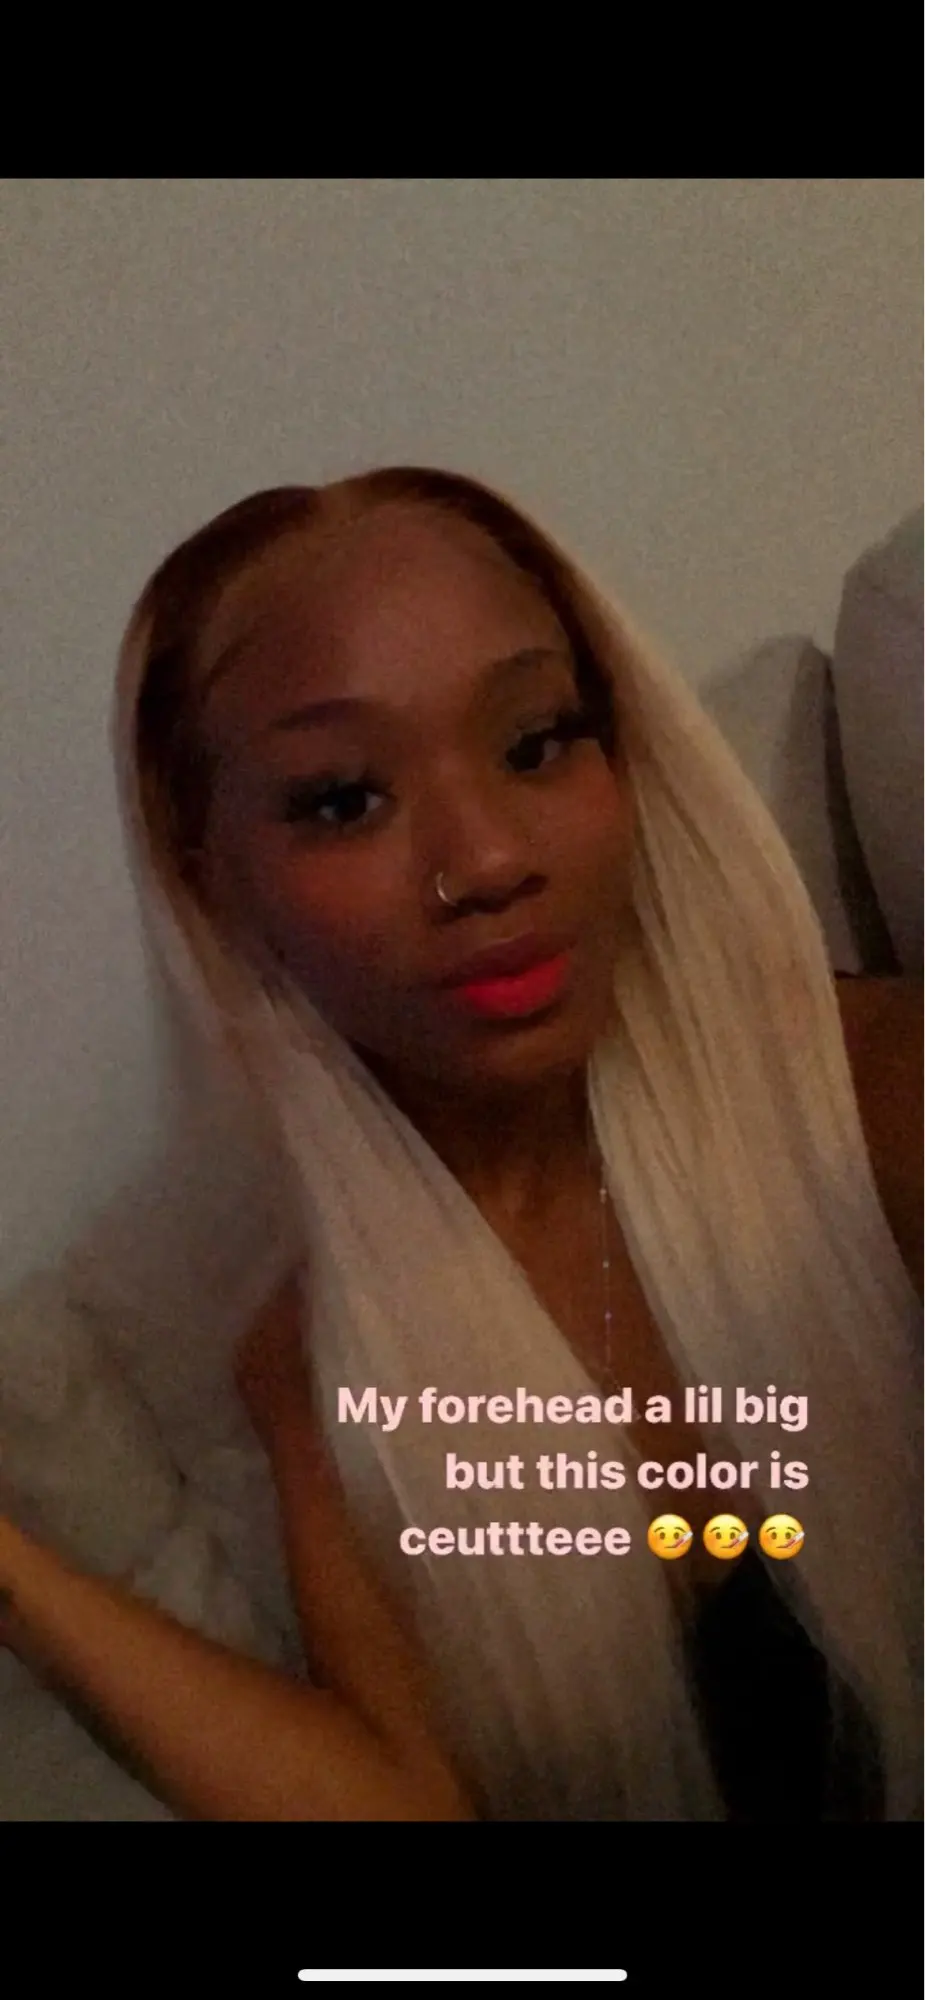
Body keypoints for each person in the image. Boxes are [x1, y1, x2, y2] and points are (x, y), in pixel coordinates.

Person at [1, 466, 920, 1821]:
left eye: (538, 741)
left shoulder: (869, 1092)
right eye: (342, 800)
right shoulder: (321, 1348)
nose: (485, 859)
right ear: (214, 879)